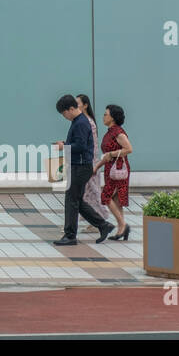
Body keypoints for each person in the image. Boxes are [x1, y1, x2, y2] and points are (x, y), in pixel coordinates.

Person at [52, 94, 114, 246]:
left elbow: (80, 146)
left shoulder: (80, 123)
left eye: (64, 113)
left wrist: (64, 147)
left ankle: (70, 235)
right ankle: (103, 225)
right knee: (77, 201)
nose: (64, 116)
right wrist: (66, 143)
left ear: (71, 109)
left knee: (71, 200)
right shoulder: (79, 121)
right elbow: (79, 143)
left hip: (80, 167)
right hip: (80, 166)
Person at [95, 104, 134, 240]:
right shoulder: (110, 131)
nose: (103, 116)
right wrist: (97, 167)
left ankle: (123, 225)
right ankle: (121, 229)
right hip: (110, 169)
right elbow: (107, 155)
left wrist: (112, 154)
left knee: (106, 196)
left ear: (112, 117)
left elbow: (129, 149)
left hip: (118, 170)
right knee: (116, 200)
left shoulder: (118, 132)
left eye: (106, 114)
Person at [76, 94, 104, 236]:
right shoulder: (85, 121)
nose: (76, 106)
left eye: (78, 103)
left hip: (90, 164)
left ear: (85, 105)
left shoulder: (87, 122)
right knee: (88, 193)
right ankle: (96, 221)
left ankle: (100, 219)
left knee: (92, 191)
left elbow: (92, 146)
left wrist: (94, 165)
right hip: (88, 163)